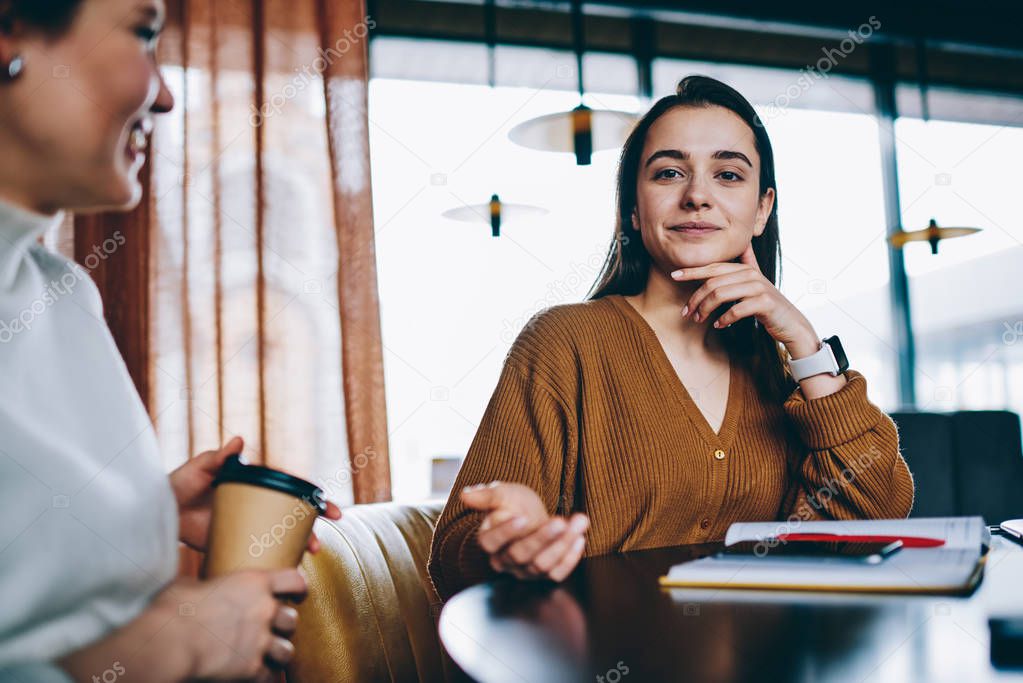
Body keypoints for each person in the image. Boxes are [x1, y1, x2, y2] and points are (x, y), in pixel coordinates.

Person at [429, 75, 914, 600]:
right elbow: (454, 555)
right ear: (633, 212)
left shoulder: (778, 368)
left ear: (761, 210)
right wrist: (505, 543)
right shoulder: (563, 341)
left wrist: (806, 347)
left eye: (727, 174)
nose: (697, 196)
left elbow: (873, 521)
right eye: (668, 173)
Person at [0, 1, 340, 680]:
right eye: (143, 34)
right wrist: (177, 644)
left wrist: (138, 511)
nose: (164, 95)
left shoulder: (65, 293)